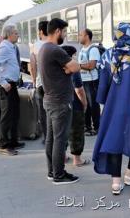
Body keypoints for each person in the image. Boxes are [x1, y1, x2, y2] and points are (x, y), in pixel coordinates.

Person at [92, 22, 130, 195]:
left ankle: (116, 183)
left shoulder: (107, 56)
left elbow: (102, 85)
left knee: (114, 139)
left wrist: (102, 106)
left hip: (111, 106)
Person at [38, 18, 81, 185]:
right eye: (63, 32)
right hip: (60, 102)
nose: (64, 35)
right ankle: (59, 174)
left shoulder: (44, 48)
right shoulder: (55, 50)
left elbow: (69, 68)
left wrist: (67, 68)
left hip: (49, 100)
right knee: (60, 140)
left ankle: (52, 171)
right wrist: (69, 67)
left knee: (51, 138)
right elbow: (75, 67)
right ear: (57, 31)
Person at [0, 25, 24, 156]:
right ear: (9, 34)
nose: (17, 35)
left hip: (12, 84)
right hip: (6, 86)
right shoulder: (5, 47)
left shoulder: (11, 47)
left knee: (15, 113)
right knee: (7, 114)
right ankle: (4, 144)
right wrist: (4, 83)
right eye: (16, 33)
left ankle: (13, 140)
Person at [62, 45, 90, 167]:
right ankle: (77, 159)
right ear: (71, 56)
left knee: (62, 131)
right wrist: (84, 103)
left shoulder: (57, 67)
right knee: (76, 131)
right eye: (74, 55)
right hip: (74, 104)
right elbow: (79, 90)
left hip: (61, 103)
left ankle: (62, 156)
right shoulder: (74, 68)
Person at [78, 28, 101, 136]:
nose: (79, 37)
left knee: (93, 106)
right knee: (85, 105)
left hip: (91, 82)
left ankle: (97, 127)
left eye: (81, 35)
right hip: (83, 81)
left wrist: (78, 66)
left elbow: (92, 65)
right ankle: (87, 127)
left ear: (87, 36)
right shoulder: (82, 49)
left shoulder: (93, 50)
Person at [30, 21, 48, 144]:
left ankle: (46, 137)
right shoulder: (54, 44)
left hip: (40, 84)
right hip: (52, 84)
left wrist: (33, 81)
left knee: (42, 111)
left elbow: (32, 66)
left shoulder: (35, 46)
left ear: (40, 31)